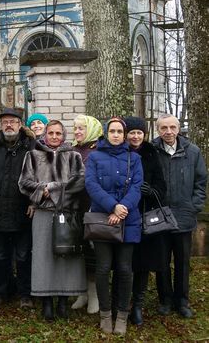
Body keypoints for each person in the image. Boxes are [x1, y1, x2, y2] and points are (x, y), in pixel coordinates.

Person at [18, 120, 86, 321]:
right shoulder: (32, 155)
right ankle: (46, 302)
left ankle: (63, 302)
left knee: (66, 257)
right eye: (51, 133)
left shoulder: (73, 156)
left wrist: (53, 189)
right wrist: (41, 191)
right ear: (45, 135)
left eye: (58, 133)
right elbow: (24, 182)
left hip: (67, 213)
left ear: (63, 135)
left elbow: (79, 181)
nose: (54, 136)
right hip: (42, 213)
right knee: (43, 257)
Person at [85, 117, 143, 335]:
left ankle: (122, 315)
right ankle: (105, 314)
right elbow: (91, 184)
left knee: (125, 269)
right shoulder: (95, 157)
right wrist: (112, 207)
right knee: (102, 268)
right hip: (102, 219)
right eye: (112, 131)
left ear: (124, 134)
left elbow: (137, 186)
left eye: (120, 131)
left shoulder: (134, 158)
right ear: (106, 134)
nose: (116, 135)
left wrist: (122, 209)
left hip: (129, 219)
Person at [0, 107, 36, 309]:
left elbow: (39, 176)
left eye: (13, 121)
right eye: (5, 122)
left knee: (23, 256)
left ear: (20, 124)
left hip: (23, 213)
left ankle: (25, 294)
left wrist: (33, 202)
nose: (9, 125)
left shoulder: (31, 146)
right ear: (0, 125)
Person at [152, 114, 207, 319]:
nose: (168, 132)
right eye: (164, 128)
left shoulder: (192, 152)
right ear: (158, 130)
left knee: (183, 262)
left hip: (184, 215)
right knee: (162, 261)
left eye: (172, 127)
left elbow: (201, 182)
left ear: (178, 129)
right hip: (160, 216)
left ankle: (182, 301)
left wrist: (194, 206)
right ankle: (165, 300)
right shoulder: (152, 151)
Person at [124, 116, 167, 326]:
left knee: (143, 263)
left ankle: (137, 306)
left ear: (144, 134)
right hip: (123, 214)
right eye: (131, 132)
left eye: (139, 133)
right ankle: (121, 303)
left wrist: (152, 191)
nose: (135, 136)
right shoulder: (120, 152)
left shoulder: (151, 153)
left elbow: (162, 185)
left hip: (145, 217)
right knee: (124, 263)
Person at [71, 114, 104, 313]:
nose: (77, 132)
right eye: (75, 128)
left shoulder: (99, 150)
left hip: (93, 209)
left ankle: (94, 295)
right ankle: (81, 293)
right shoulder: (73, 149)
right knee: (79, 252)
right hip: (74, 209)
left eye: (81, 128)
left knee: (93, 255)